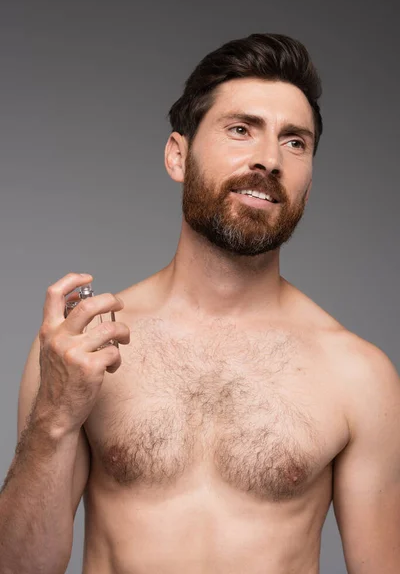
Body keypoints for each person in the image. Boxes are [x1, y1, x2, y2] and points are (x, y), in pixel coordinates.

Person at [1, 33, 399, 574]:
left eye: (295, 142)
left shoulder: (358, 375)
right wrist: (53, 418)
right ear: (178, 156)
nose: (268, 159)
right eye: (241, 130)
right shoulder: (84, 347)